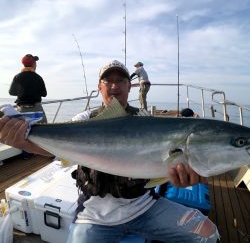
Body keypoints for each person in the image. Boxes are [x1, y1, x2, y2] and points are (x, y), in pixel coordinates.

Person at [0, 60, 219, 243]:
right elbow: (50, 149)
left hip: (145, 208)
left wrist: (181, 174)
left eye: (121, 80)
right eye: (108, 81)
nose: (114, 85)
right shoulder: (84, 121)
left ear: (129, 87)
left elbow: (164, 165)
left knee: (209, 234)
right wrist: (21, 140)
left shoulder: (143, 120)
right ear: (99, 86)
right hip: (94, 217)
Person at [9, 54, 47, 123]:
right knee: (44, 127)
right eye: (35, 63)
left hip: (21, 109)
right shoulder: (38, 78)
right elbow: (44, 94)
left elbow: (11, 92)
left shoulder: (17, 77)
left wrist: (22, 91)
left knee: (22, 129)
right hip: (36, 108)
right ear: (33, 64)